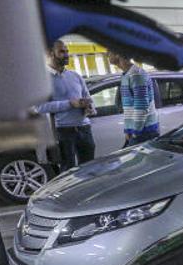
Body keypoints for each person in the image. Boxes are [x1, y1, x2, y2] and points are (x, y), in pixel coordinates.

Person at [33, 40, 95, 170]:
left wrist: (89, 107)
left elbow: (88, 98)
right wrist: (69, 104)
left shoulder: (75, 76)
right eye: (62, 51)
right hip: (63, 131)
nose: (67, 55)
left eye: (67, 51)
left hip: (84, 128)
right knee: (68, 172)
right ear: (50, 53)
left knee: (90, 169)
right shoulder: (42, 79)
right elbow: (40, 107)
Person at [108, 52, 160, 146]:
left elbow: (142, 107)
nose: (107, 55)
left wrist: (135, 132)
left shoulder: (136, 75)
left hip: (144, 131)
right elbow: (130, 108)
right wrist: (128, 130)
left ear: (118, 54)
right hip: (139, 131)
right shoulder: (126, 74)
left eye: (109, 52)